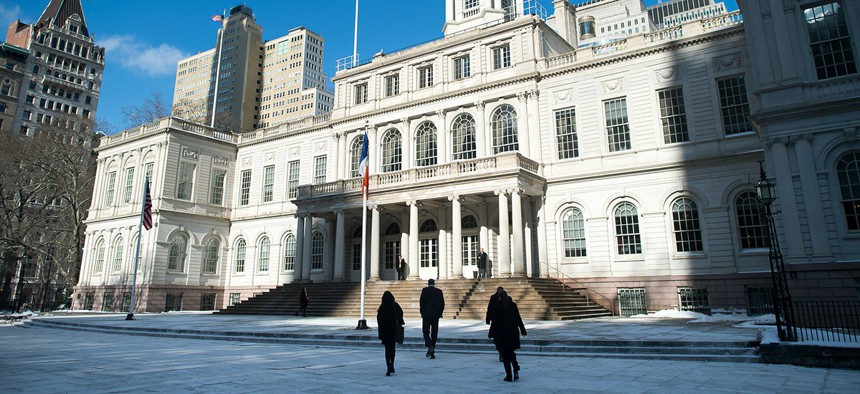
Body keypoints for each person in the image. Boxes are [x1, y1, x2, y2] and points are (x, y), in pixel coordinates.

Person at [487, 290, 527, 382]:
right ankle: (515, 367)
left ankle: (509, 375)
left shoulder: (498, 306)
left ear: (500, 297)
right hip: (512, 333)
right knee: (511, 353)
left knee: (505, 355)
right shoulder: (513, 305)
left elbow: (495, 322)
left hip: (502, 334)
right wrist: (523, 329)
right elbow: (518, 318)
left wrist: (491, 333)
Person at [376, 291, 404, 376]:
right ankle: (392, 364)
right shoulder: (395, 305)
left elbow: (379, 320)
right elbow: (400, 315)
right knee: (393, 348)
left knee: (387, 349)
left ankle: (388, 367)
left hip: (385, 331)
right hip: (393, 330)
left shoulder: (382, 307)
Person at [419, 278, 445, 359]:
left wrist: (422, 312)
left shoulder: (425, 290)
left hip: (426, 314)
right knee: (434, 333)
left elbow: (421, 302)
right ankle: (432, 350)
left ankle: (430, 346)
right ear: (434, 283)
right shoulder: (438, 291)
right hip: (435, 314)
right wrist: (439, 313)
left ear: (428, 283)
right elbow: (442, 304)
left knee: (425, 332)